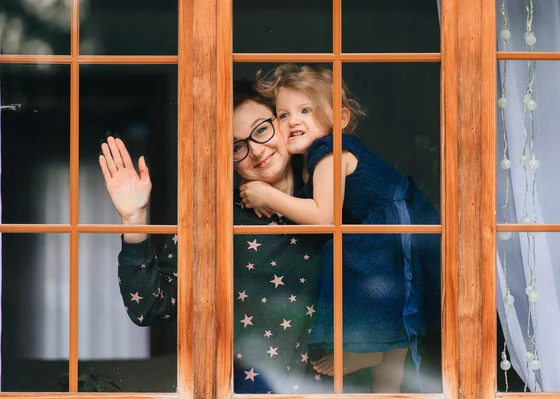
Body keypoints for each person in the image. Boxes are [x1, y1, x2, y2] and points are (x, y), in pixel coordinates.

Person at [99, 80, 371, 394]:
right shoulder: (215, 219)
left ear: (283, 123)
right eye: (236, 146)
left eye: (261, 130)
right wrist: (133, 219)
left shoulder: (338, 196)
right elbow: (147, 307)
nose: (256, 150)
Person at [239, 64, 442, 393]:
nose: (293, 121)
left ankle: (367, 352)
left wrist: (269, 195)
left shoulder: (329, 151)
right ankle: (383, 377)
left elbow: (323, 218)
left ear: (341, 119)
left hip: (395, 233)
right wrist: (268, 197)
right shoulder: (314, 162)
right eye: (283, 114)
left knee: (355, 268)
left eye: (306, 110)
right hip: (407, 229)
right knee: (397, 344)